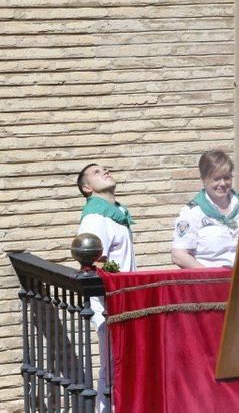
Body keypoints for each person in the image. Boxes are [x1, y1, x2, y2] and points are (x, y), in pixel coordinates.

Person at [77, 163, 137, 412]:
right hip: (109, 301)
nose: (105, 172)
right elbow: (92, 260)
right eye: (96, 172)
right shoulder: (95, 216)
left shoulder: (116, 213)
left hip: (125, 298)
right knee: (112, 366)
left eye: (105, 169)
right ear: (87, 187)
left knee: (121, 364)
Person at [171, 149, 239, 268]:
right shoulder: (192, 212)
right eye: (217, 178)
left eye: (227, 177)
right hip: (211, 281)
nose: (223, 183)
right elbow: (178, 255)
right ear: (204, 178)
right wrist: (207, 276)